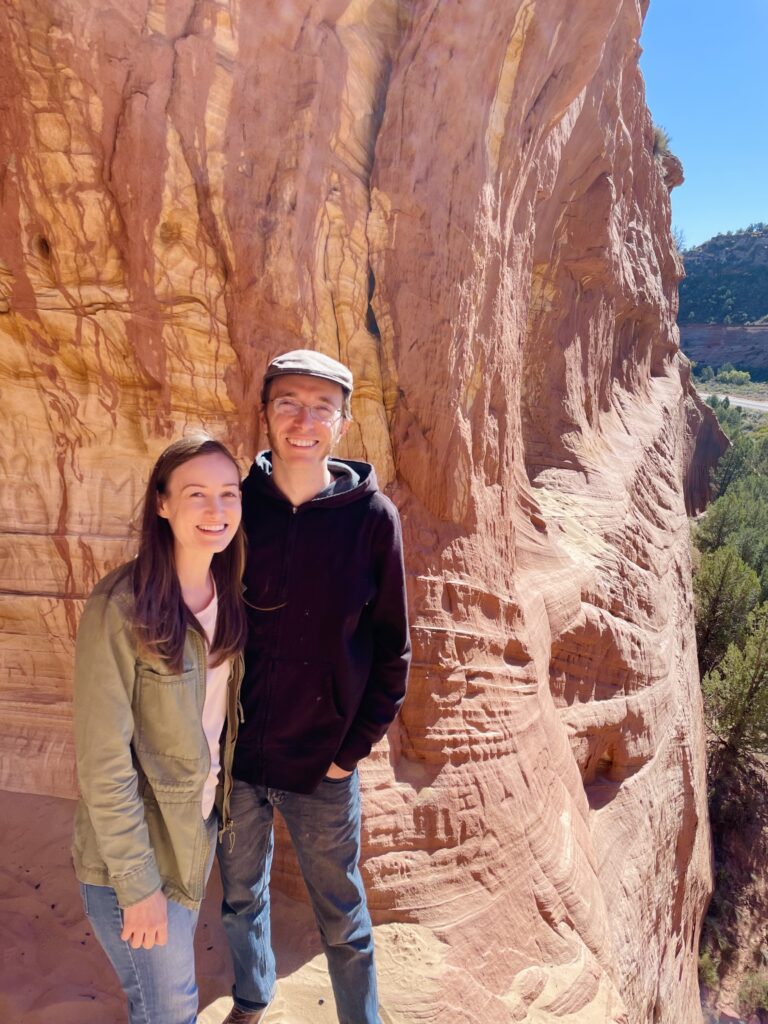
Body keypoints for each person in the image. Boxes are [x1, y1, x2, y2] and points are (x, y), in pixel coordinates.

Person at [218, 350, 411, 1024]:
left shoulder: (371, 519)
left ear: (344, 419)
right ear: (265, 412)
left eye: (321, 406)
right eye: (288, 402)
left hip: (322, 767)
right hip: (238, 759)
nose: (304, 420)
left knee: (343, 914)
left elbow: (394, 652)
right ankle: (251, 998)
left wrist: (345, 755)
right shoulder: (237, 509)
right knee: (241, 895)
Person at [72, 434, 247, 1024]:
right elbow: (102, 761)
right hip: (138, 855)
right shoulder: (122, 607)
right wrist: (136, 885)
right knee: (171, 1009)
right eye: (195, 494)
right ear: (162, 503)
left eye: (228, 494)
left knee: (156, 1004)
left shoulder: (228, 595)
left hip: (192, 835)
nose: (215, 510)